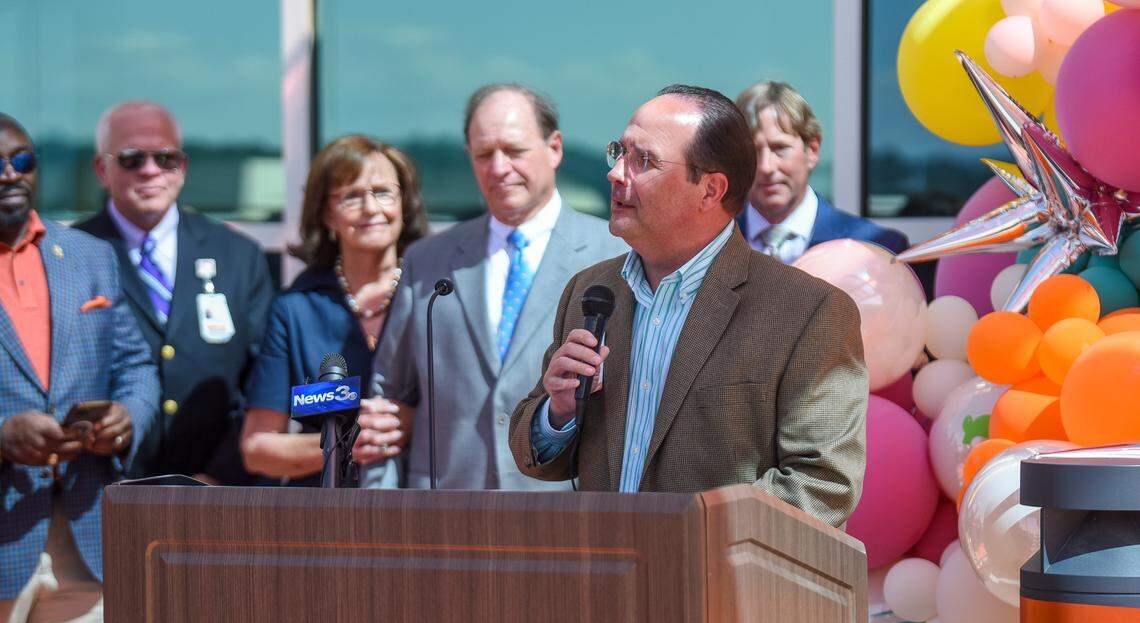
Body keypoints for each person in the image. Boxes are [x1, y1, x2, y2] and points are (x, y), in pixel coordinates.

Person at [509, 85, 868, 527]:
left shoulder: (809, 311)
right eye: (620, 152)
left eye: (644, 161)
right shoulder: (590, 291)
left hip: (722, 585)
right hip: (603, 579)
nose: (616, 174)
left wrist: (680, 535)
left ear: (710, 190)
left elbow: (822, 484)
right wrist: (558, 411)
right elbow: (537, 453)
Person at [358, 84, 623, 491]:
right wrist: (382, 514)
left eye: (514, 150)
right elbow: (386, 404)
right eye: (484, 154)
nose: (498, 168)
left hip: (568, 519)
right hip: (442, 521)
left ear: (554, 148)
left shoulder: (616, 254)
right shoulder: (427, 260)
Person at [0, 114, 158, 623]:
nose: (9, 175)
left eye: (23, 160)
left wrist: (127, 417)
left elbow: (137, 366)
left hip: (79, 539)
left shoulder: (87, 256)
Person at [75, 101, 273, 485]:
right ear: (102, 169)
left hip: (216, 492)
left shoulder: (237, 255)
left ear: (182, 166)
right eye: (132, 159)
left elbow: (263, 382)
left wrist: (221, 473)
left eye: (165, 158)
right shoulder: (71, 254)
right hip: (102, 492)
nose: (150, 170)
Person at [240, 135, 427, 485]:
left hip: (424, 514)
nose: (371, 208)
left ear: (404, 203)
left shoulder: (436, 296)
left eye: (383, 192)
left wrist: (415, 421)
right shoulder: (295, 310)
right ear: (327, 213)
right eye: (352, 196)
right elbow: (257, 448)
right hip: (326, 522)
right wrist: (347, 443)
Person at [734, 81, 910, 264]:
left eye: (779, 148)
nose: (766, 167)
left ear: (812, 150)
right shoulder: (709, 245)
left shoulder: (876, 249)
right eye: (752, 151)